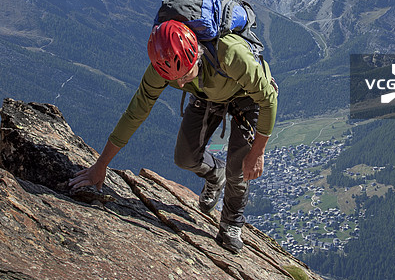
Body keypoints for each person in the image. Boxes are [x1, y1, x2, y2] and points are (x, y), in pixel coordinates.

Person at [70, 17, 278, 254]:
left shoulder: (231, 54)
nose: (179, 84)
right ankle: (215, 173)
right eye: (174, 79)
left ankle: (231, 223)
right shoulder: (163, 66)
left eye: (184, 75)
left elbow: (269, 100)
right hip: (207, 93)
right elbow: (135, 113)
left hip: (247, 97)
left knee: (239, 166)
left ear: (197, 55)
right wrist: (101, 165)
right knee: (185, 158)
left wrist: (258, 152)